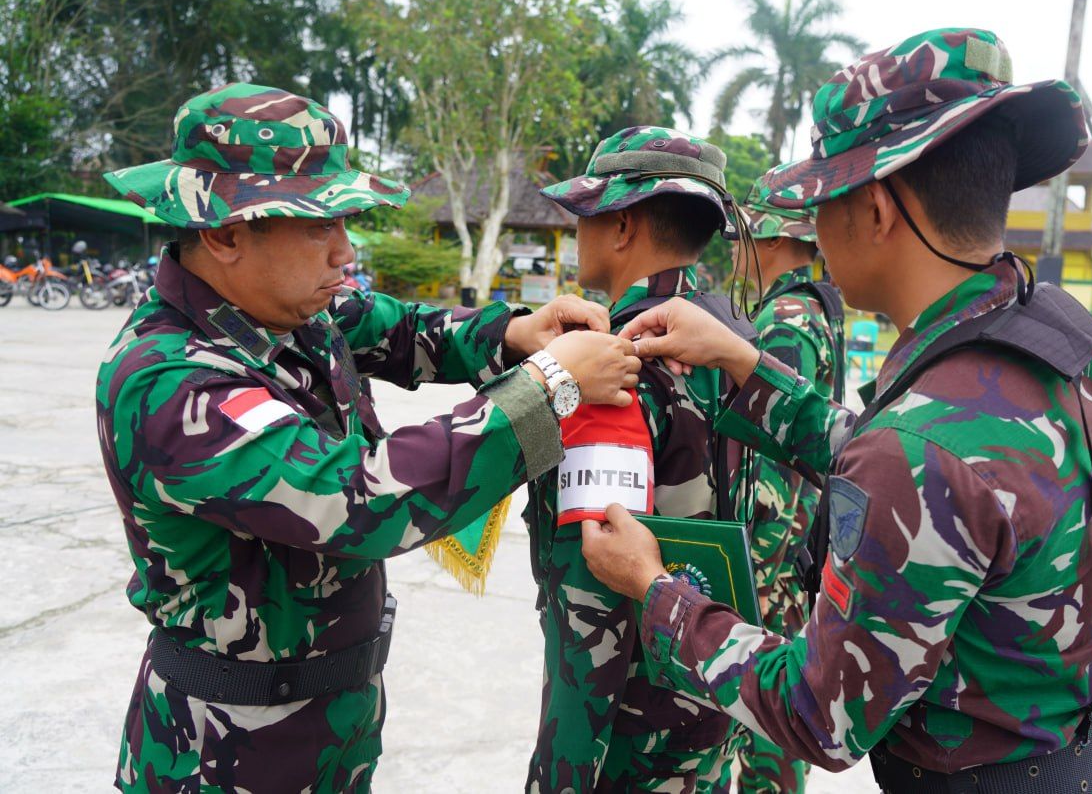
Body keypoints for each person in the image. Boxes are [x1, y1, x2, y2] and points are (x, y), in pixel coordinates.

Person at [581, 28, 1092, 793]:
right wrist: (745, 363)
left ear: (877, 208)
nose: (815, 229)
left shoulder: (918, 443)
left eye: (824, 200)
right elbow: (919, 471)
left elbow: (819, 714)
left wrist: (659, 592)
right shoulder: (1055, 339)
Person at [97, 82, 640, 793]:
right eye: (320, 224)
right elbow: (354, 498)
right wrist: (548, 389)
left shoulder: (286, 310)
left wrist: (513, 333)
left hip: (331, 724)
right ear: (226, 233)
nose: (345, 251)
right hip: (222, 751)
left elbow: (398, 326)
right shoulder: (168, 382)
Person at [524, 126, 757, 792]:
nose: (579, 232)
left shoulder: (610, 361)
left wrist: (563, 770)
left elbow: (592, 602)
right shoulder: (735, 347)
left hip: (629, 729)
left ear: (622, 225)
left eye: (588, 216)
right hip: (712, 688)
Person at [732, 174, 845, 793]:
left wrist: (755, 560)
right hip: (792, 540)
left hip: (773, 551)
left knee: (766, 718)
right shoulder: (814, 303)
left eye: (742, 238)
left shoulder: (787, 315)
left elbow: (775, 444)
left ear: (769, 237)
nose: (735, 252)